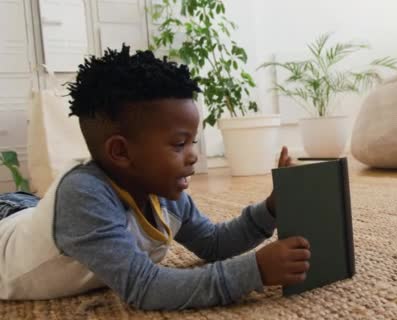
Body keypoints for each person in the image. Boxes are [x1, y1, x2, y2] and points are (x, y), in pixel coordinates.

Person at [0, 45, 311, 310]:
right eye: (179, 144)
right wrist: (255, 271)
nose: (193, 155)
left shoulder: (161, 191)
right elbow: (144, 288)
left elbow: (214, 244)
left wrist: (271, 208)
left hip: (31, 212)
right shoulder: (83, 195)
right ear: (121, 152)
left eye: (193, 141)